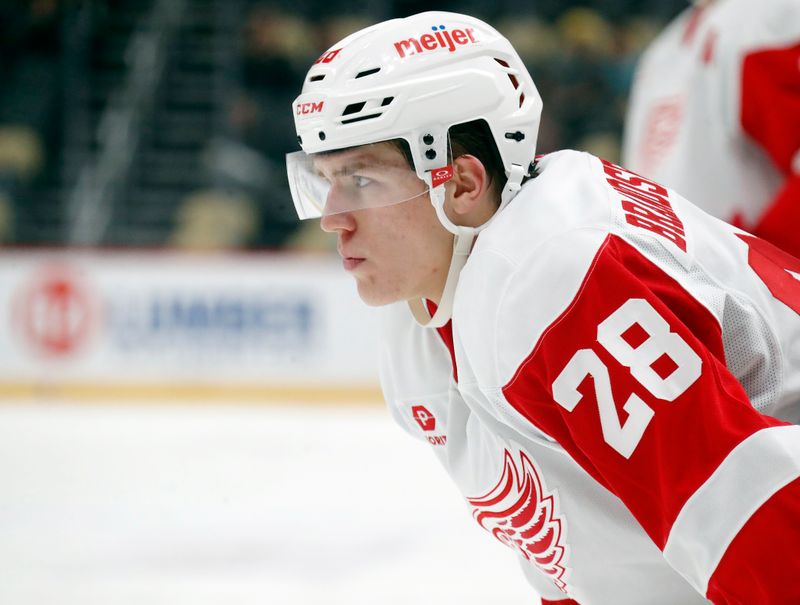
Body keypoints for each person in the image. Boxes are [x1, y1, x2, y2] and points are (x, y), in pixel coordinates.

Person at [286, 11, 800, 605]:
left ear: (461, 184)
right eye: (321, 181)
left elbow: (757, 526)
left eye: (361, 180)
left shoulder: (553, 280)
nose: (330, 217)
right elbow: (592, 564)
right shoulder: (423, 325)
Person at [622, 0, 800, 258]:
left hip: (736, 284)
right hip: (677, 277)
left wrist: (761, 271)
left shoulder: (765, 19)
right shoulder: (663, 49)